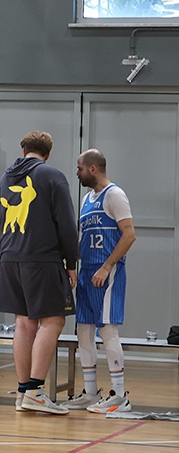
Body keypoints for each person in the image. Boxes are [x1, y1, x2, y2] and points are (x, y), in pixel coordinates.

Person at [0, 131, 79, 415]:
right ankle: (36, 391)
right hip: (41, 258)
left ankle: (22, 392)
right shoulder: (52, 176)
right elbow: (67, 224)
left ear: (24, 149)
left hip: (10, 258)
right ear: (47, 153)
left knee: (23, 323)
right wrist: (72, 262)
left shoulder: (5, 179)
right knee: (53, 321)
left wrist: (2, 260)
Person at [63, 150, 137, 413]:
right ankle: (92, 392)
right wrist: (73, 266)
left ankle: (119, 396)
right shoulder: (86, 199)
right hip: (87, 271)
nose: (77, 173)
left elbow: (129, 235)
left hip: (107, 271)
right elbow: (83, 237)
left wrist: (107, 267)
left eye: (80, 168)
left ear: (93, 168)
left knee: (107, 330)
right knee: (84, 330)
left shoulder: (115, 195)